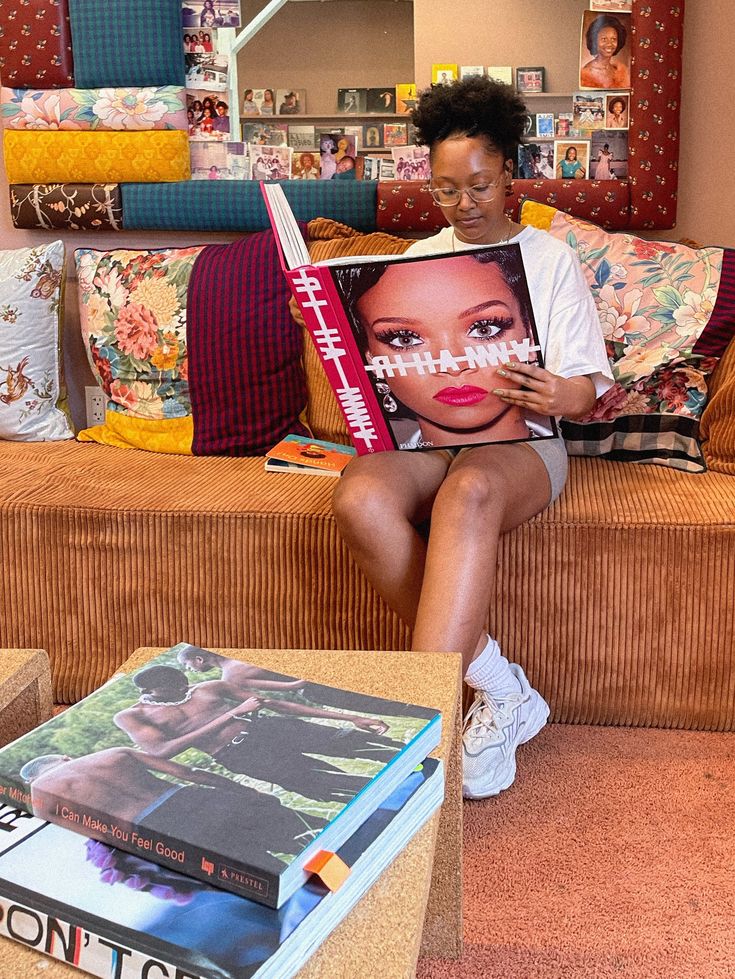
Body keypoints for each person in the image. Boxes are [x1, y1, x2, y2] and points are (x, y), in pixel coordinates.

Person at [325, 77, 613, 799]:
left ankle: (418, 735)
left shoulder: (545, 260)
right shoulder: (416, 258)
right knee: (360, 493)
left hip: (521, 447)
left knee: (470, 489)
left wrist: (559, 390)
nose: (464, 205)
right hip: (432, 443)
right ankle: (500, 683)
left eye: (480, 185)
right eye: (447, 189)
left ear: (508, 174)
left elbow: (586, 390)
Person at [113, 665, 404, 804]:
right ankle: (396, 801)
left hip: (268, 727)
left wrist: (353, 717)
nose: (184, 688)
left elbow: (276, 704)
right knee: (324, 783)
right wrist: (230, 715)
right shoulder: (132, 715)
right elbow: (162, 751)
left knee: (358, 744)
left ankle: (418, 765)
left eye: (184, 681)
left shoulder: (210, 688)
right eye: (174, 686)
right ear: (151, 690)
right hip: (237, 753)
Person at [20, 746, 323, 872]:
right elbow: (187, 772)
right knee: (303, 831)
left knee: (260, 869)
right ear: (64, 758)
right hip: (192, 799)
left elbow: (94, 836)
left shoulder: (40, 795)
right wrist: (241, 789)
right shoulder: (113, 753)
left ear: (35, 776)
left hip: (159, 833)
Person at [580, 14, 630, 89]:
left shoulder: (620, 73)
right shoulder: (586, 73)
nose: (609, 44)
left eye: (613, 39)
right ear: (594, 41)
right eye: (604, 39)